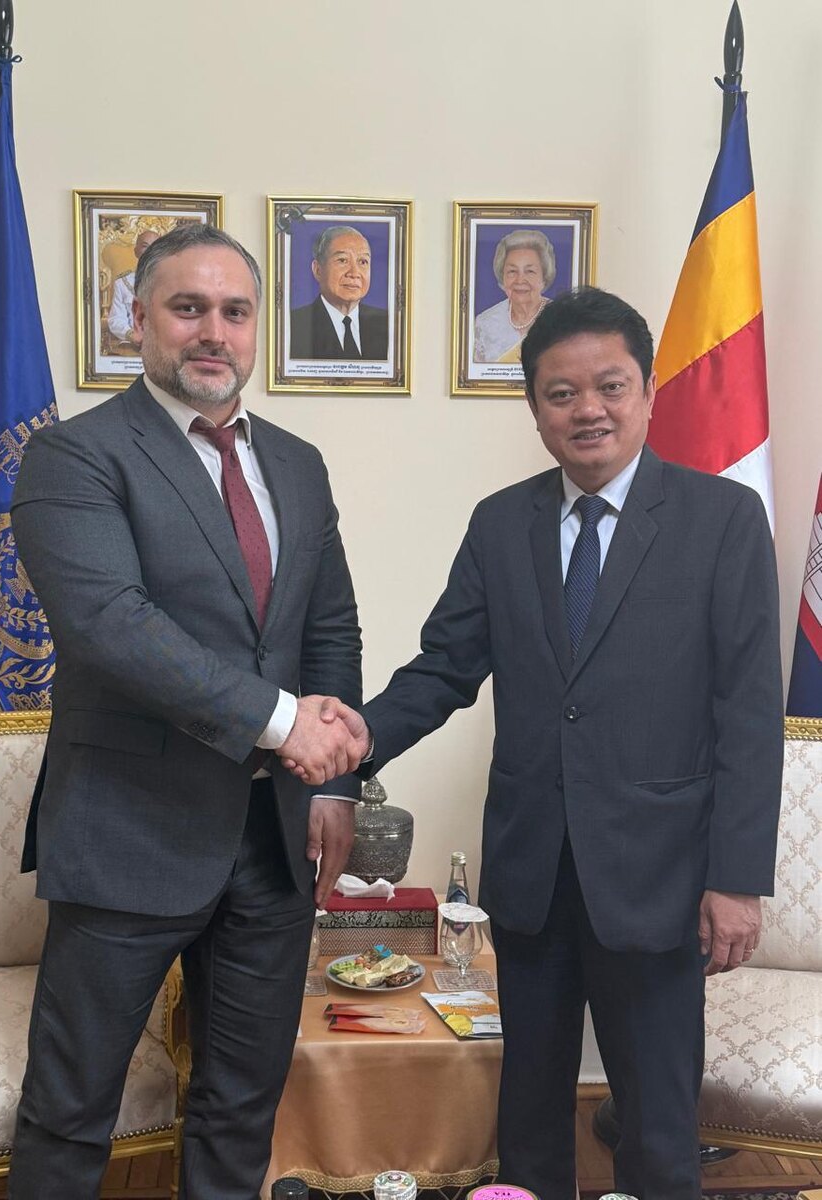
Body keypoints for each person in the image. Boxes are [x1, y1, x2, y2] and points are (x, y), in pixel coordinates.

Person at [309, 288, 783, 1199]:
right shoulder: (502, 523)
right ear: (535, 409)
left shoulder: (721, 520)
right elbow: (444, 668)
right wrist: (353, 742)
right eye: (561, 394)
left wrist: (736, 880)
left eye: (610, 386)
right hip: (532, 872)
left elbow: (750, 714)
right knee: (527, 1115)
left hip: (660, 875)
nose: (587, 410)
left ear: (648, 391)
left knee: (656, 1129)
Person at [7, 223, 367, 1199]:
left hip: (272, 841)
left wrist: (338, 785)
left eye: (234, 311)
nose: (214, 330)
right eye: (188, 307)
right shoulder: (74, 456)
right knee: (70, 1111)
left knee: (241, 1105)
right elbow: (112, 628)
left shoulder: (297, 464)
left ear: (256, 329)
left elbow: (328, 628)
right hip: (126, 834)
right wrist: (287, 725)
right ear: (137, 318)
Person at [289, 225, 389, 360]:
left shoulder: (388, 324)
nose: (354, 273)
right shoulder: (293, 326)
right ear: (318, 270)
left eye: (363, 261)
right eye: (342, 260)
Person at [473, 228, 556, 363]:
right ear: (503, 277)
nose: (520, 280)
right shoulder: (484, 324)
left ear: (544, 277)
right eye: (512, 271)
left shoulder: (560, 320)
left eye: (529, 271)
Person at [106, 227, 160, 344]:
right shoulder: (123, 283)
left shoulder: (172, 282)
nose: (150, 251)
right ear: (136, 251)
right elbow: (116, 319)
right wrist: (131, 335)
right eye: (145, 246)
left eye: (155, 247)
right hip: (133, 345)